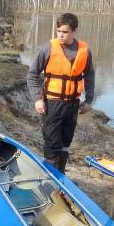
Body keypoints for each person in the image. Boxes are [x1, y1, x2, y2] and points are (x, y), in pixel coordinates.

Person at [27, 13, 95, 173]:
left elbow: (90, 76)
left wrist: (89, 100)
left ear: (74, 31)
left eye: (65, 32)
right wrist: (37, 99)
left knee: (65, 142)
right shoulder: (49, 48)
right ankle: (49, 178)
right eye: (59, 31)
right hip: (52, 103)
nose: (61, 35)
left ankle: (61, 177)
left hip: (72, 104)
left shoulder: (84, 50)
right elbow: (32, 74)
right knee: (52, 143)